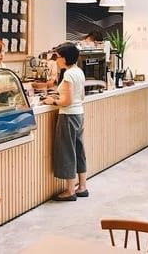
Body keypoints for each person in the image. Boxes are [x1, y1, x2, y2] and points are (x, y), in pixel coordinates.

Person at [43, 43, 88, 201]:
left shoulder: (68, 75)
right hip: (79, 114)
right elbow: (81, 96)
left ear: (65, 58)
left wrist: (53, 101)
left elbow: (67, 102)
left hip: (68, 116)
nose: (56, 60)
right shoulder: (79, 71)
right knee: (78, 149)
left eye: (58, 57)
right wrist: (60, 97)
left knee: (67, 151)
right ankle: (82, 187)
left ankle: (70, 191)